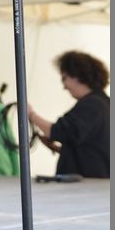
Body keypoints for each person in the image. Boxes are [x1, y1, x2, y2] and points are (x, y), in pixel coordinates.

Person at [28, 50, 110, 178]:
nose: (64, 86)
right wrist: (59, 149)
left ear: (77, 75)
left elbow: (59, 131)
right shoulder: (104, 103)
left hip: (85, 184)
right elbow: (91, 150)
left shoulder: (92, 105)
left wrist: (31, 114)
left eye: (64, 78)